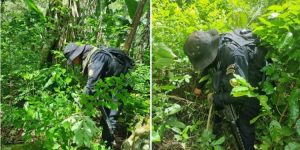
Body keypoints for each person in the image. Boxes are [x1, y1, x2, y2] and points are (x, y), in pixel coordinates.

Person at [184, 29, 268, 150]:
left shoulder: (233, 54)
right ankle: (217, 133)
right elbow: (208, 63)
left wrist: (216, 98)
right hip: (237, 73)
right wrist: (199, 86)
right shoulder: (215, 44)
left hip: (251, 84)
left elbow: (242, 94)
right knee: (221, 97)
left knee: (244, 124)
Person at [63, 43, 134, 148]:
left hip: (120, 86)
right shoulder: (90, 56)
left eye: (72, 60)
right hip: (111, 85)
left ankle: (108, 144)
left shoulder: (96, 57)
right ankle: (105, 140)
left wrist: (81, 106)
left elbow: (91, 85)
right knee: (105, 112)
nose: (74, 62)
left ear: (77, 55)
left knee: (111, 116)